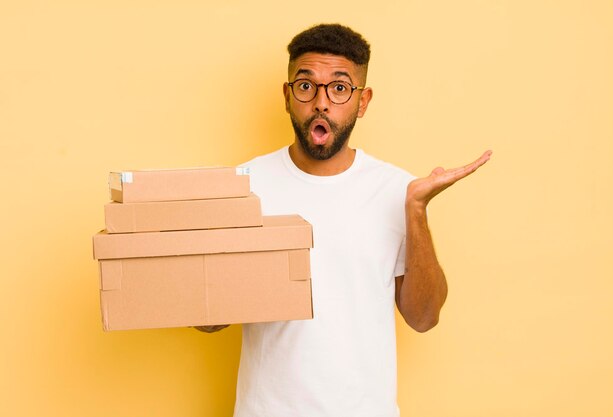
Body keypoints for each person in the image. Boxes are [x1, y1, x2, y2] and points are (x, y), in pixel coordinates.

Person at [196, 23, 491, 417]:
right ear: (287, 96)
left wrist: (417, 212)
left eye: (339, 88)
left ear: (363, 101)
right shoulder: (243, 186)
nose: (321, 102)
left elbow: (424, 318)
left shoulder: (397, 190)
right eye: (306, 86)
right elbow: (208, 325)